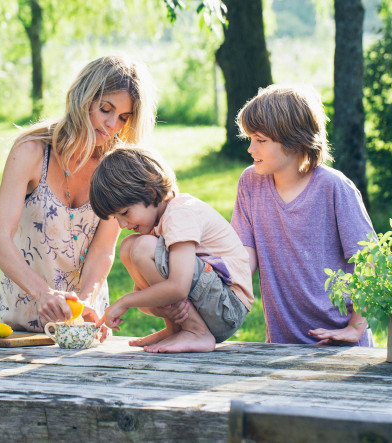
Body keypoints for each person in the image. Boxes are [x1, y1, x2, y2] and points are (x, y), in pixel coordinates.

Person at [0, 55, 156, 337]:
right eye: (106, 109)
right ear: (84, 98)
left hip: (82, 326)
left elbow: (102, 250)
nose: (113, 124)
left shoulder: (115, 166)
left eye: (124, 118)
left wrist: (87, 303)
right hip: (23, 324)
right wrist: (43, 294)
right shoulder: (31, 152)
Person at [231, 84, 375, 346]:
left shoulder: (334, 187)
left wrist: (355, 328)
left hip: (341, 343)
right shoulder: (250, 183)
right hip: (282, 344)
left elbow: (369, 261)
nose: (251, 149)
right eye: (250, 139)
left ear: (295, 140)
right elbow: (243, 255)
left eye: (261, 140)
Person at [90, 147, 254, 353]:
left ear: (150, 193)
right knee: (128, 247)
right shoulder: (158, 226)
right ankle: (178, 329)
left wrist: (125, 302)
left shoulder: (179, 214)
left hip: (228, 306)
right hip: (213, 303)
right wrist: (152, 305)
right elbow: (146, 300)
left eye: (125, 212)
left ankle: (196, 331)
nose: (122, 224)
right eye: (116, 218)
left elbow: (178, 288)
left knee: (141, 247)